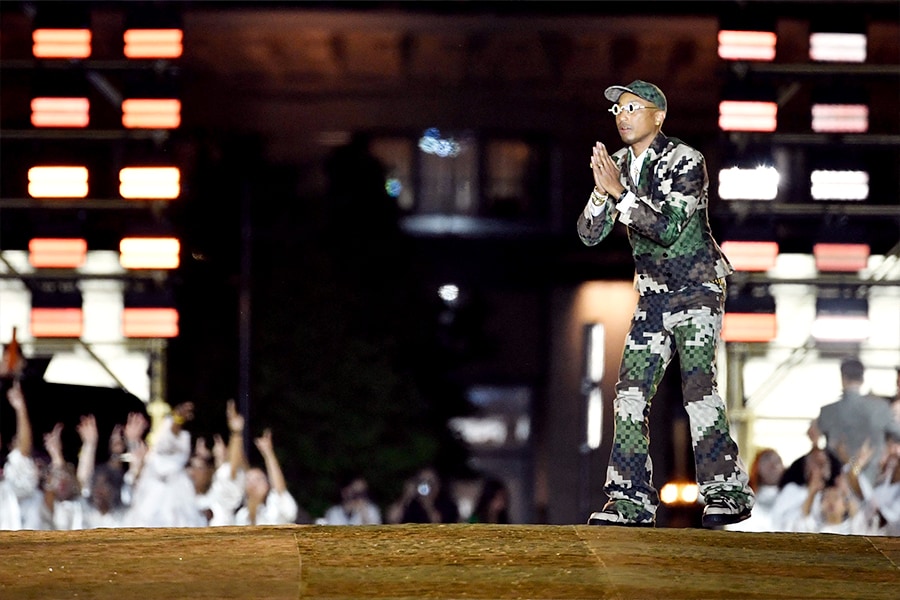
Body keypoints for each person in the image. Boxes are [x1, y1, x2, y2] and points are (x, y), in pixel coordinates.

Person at [577, 80, 754, 529]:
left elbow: (669, 227)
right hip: (654, 293)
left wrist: (619, 194)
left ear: (658, 116)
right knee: (630, 395)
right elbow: (588, 234)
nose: (622, 115)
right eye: (618, 109)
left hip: (696, 287)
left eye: (633, 107)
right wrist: (602, 194)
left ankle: (727, 492)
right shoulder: (616, 166)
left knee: (697, 387)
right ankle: (631, 501)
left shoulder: (685, 160)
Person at [809, 358, 900, 485]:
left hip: (838, 483)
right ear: (862, 378)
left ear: (842, 378)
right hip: (873, 480)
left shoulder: (827, 412)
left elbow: (813, 434)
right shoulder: (880, 408)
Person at [234, 428, 299, 526]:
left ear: (267, 484)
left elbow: (280, 490)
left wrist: (268, 453)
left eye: (258, 479)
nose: (253, 484)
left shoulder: (275, 506)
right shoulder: (242, 516)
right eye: (249, 480)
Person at [726, 448, 783, 532]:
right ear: (756, 467)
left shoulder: (792, 495)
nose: (773, 465)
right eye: (766, 460)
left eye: (777, 461)